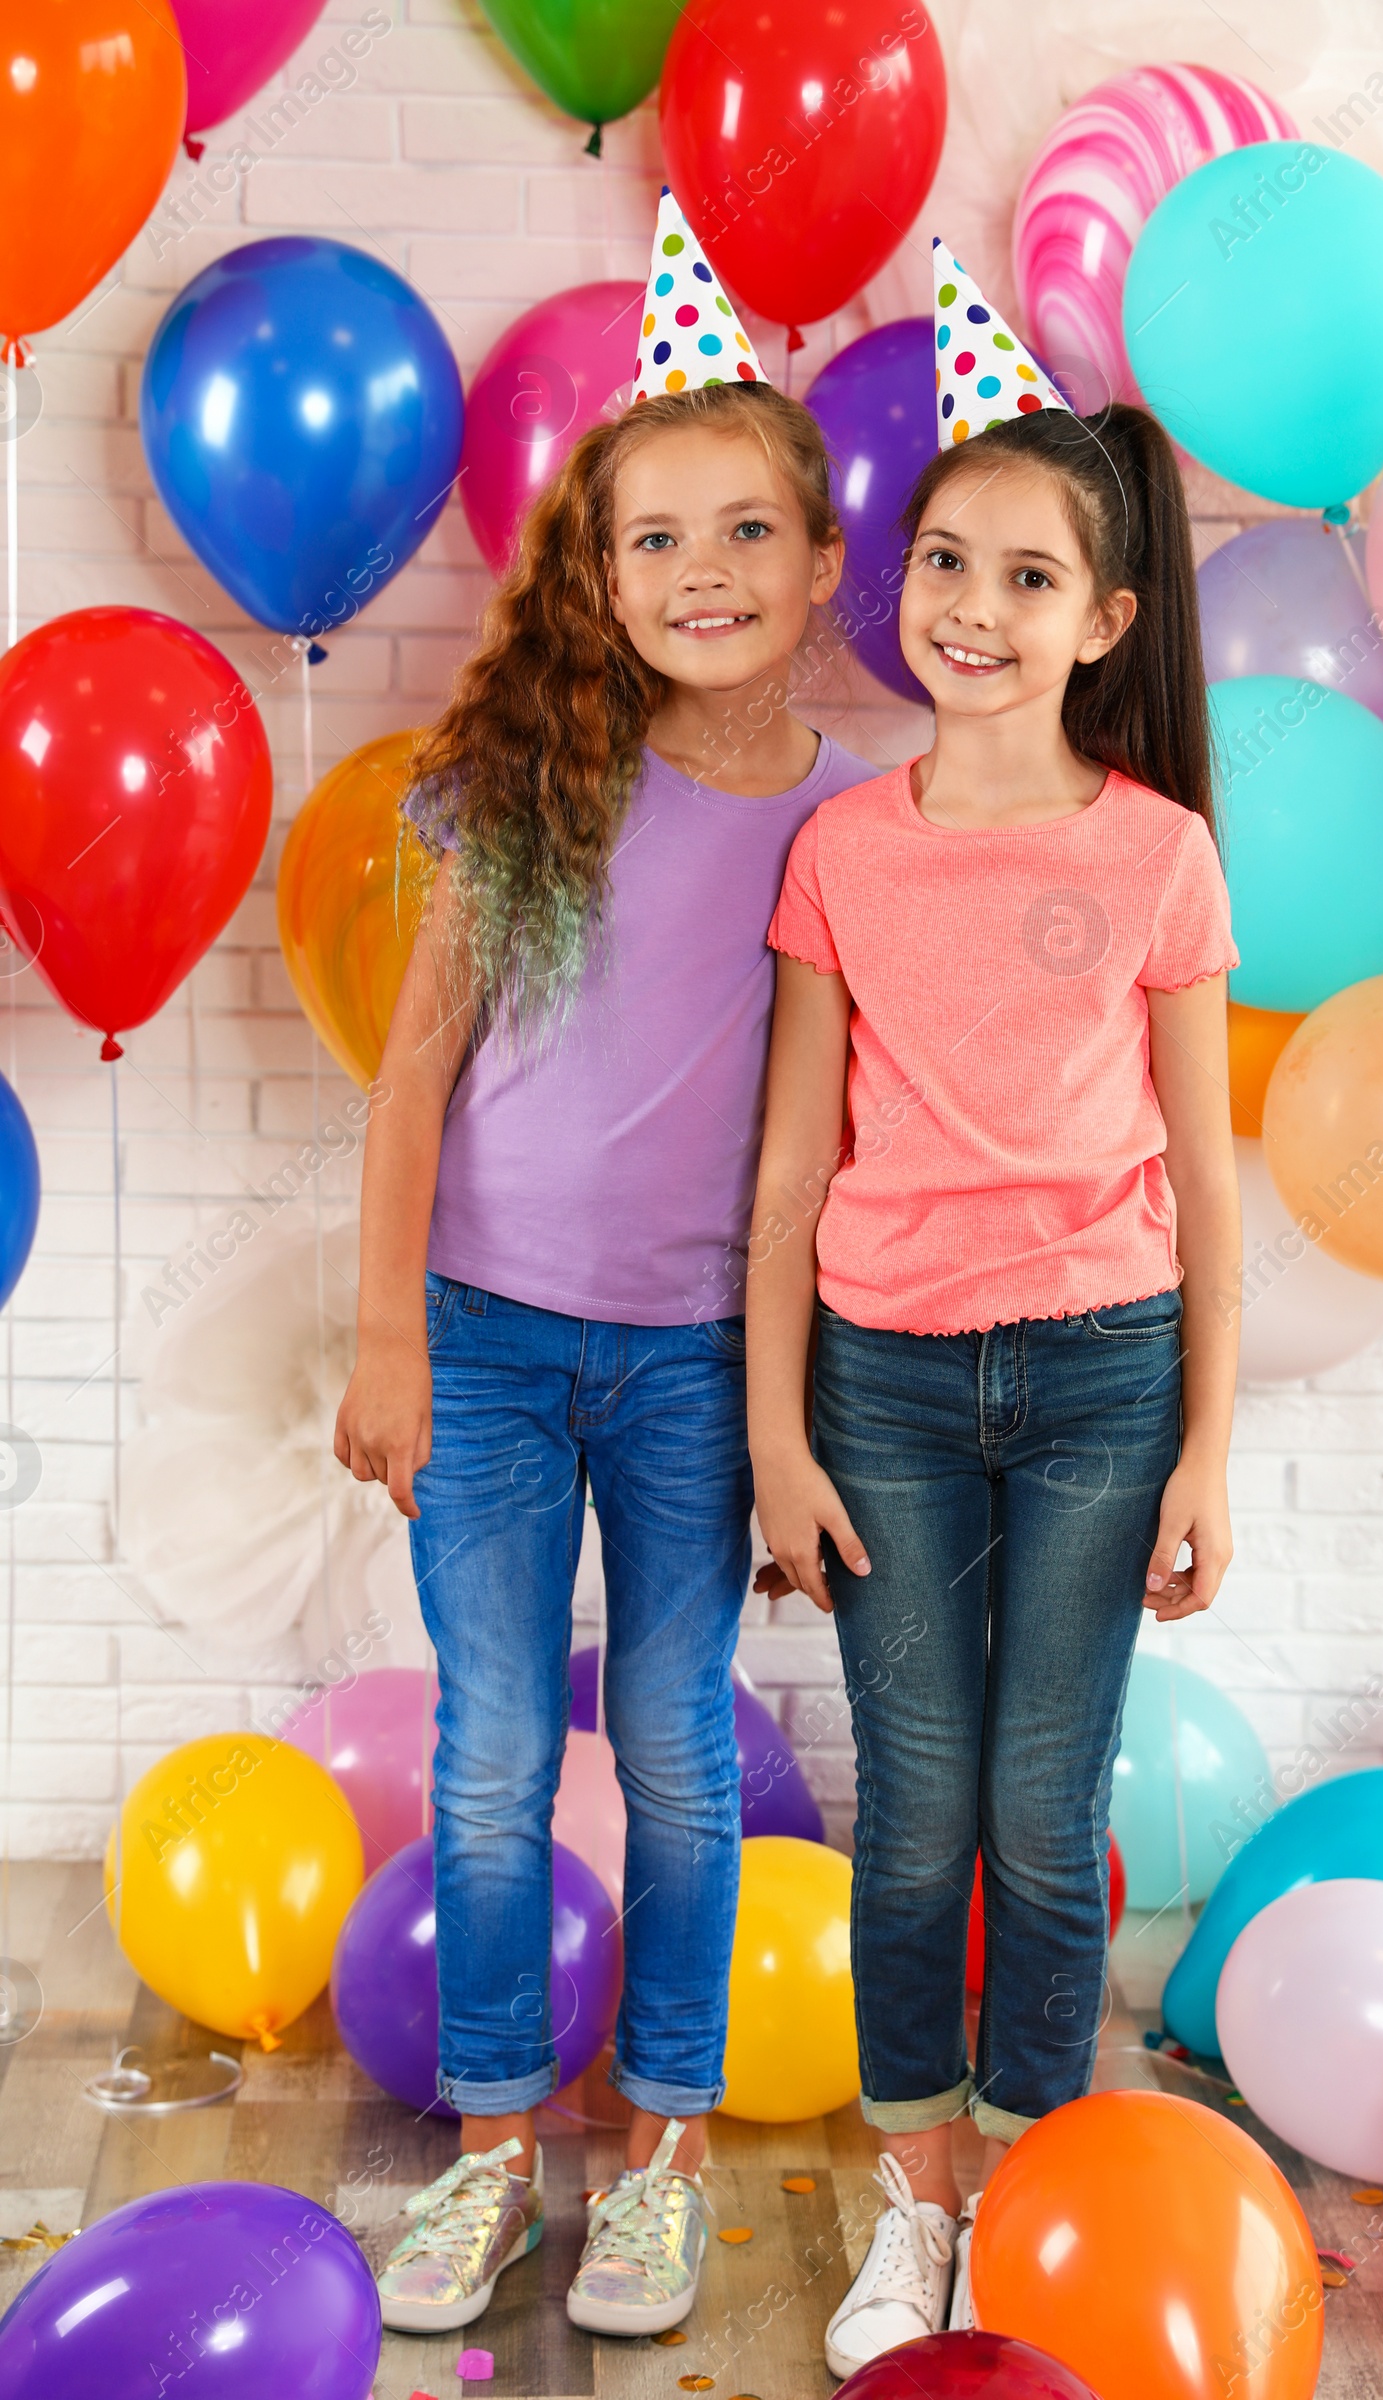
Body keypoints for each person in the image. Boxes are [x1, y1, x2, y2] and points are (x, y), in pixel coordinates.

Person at [332, 191, 873, 2342]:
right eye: (654, 538)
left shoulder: (841, 824)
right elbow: (409, 1088)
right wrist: (385, 1330)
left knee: (665, 1743)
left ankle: (651, 2158)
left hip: (683, 1368)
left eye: (746, 535)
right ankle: (486, 2154)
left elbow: (821, 1161)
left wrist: (787, 1417)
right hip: (474, 1336)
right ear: (593, 568)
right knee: (484, 1752)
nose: (701, 576)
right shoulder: (516, 781)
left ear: (822, 568)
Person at [745, 245, 1241, 2379]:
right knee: (912, 1814)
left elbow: (1205, 1177)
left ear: (1101, 622)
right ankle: (913, 2200)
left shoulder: (1152, 856)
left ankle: (1031, 2183)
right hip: (878, 1383)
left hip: (1104, 1377)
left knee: (1047, 1820)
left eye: (1025, 577)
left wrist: (1207, 1440)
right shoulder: (842, 846)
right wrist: (774, 1434)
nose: (970, 606)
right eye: (944, 559)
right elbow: (783, 1169)